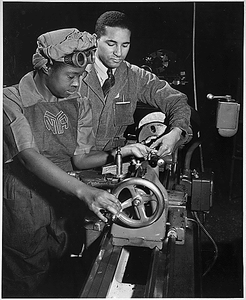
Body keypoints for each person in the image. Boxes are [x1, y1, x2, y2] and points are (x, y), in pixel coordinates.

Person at [2, 28, 152, 297]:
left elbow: (81, 158)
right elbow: (28, 155)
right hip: (23, 202)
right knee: (24, 276)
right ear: (47, 66)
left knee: (58, 269)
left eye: (82, 77)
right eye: (71, 76)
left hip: (62, 196)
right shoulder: (10, 100)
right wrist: (85, 192)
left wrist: (123, 151)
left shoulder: (78, 102)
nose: (77, 84)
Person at [81, 10, 193, 156]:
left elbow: (177, 101)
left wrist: (176, 132)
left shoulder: (134, 76)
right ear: (95, 39)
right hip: (71, 165)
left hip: (116, 165)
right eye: (111, 44)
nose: (119, 53)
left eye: (125, 45)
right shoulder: (75, 74)